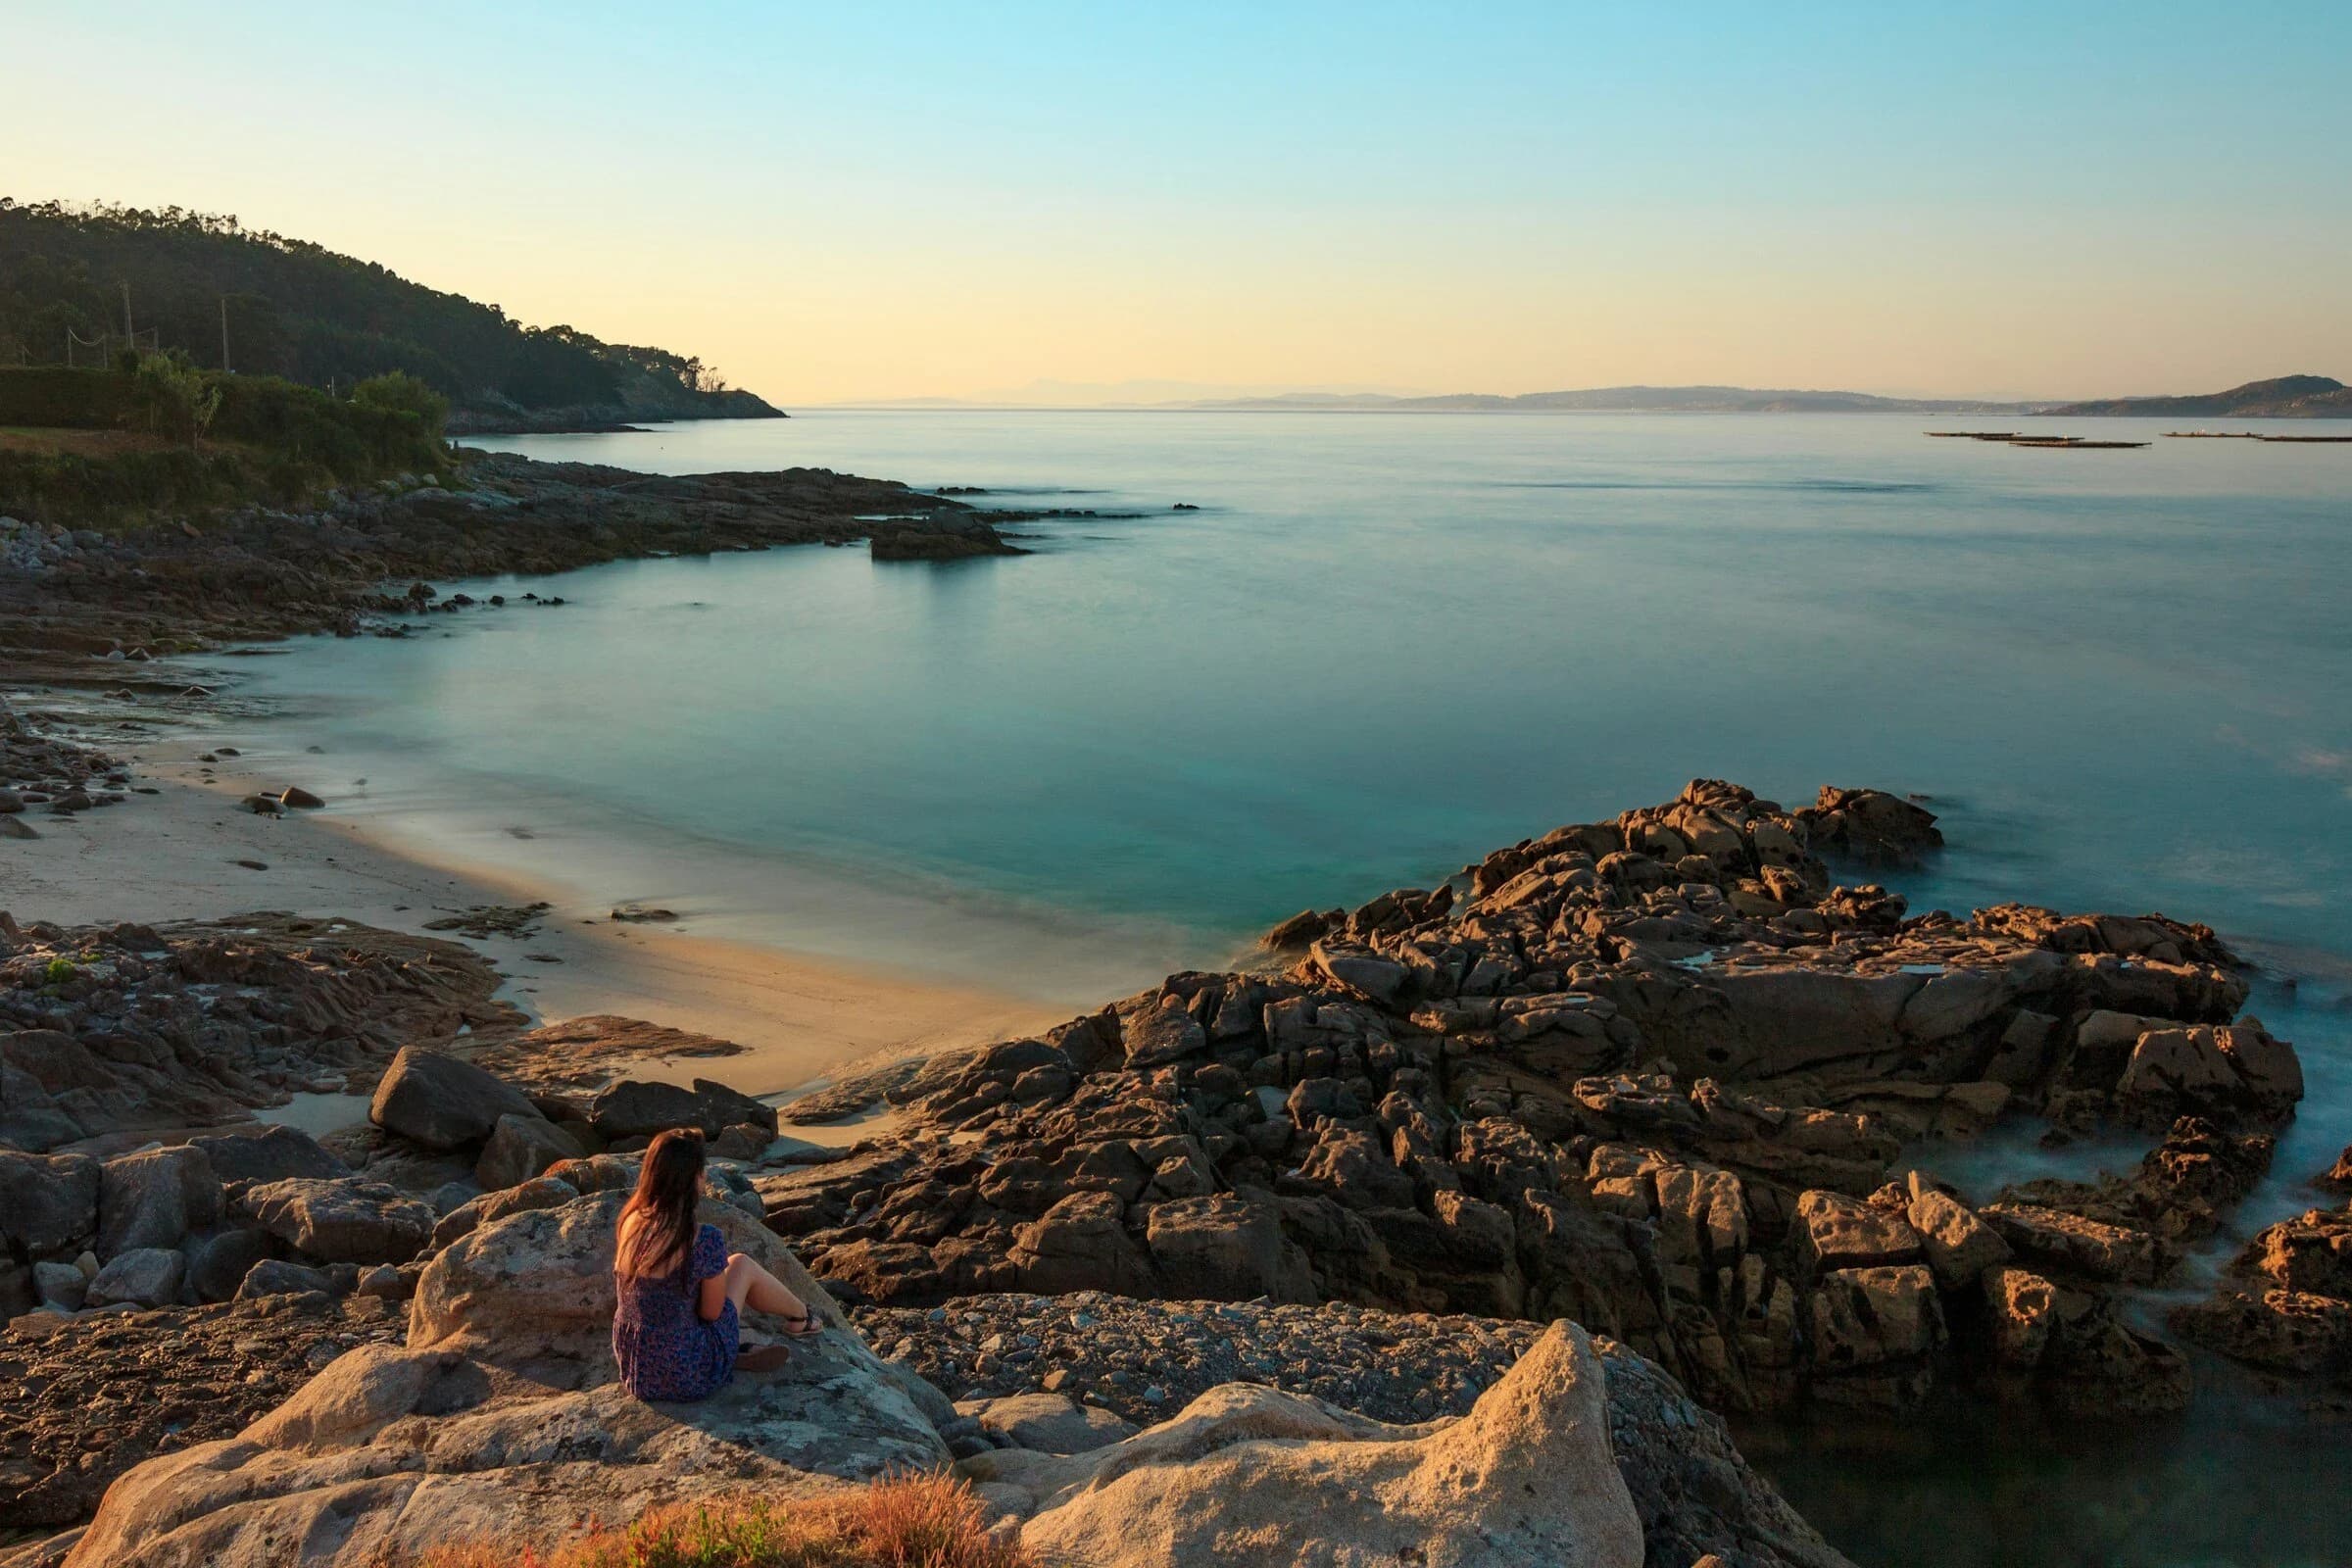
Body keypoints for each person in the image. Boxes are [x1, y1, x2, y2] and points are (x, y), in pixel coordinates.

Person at [610, 1127, 818, 1400]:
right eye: (703, 1169)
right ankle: (801, 1318)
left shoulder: (630, 1222)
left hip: (637, 1371)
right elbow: (711, 1312)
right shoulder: (701, 1238)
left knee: (688, 1297)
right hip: (686, 1374)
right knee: (741, 1265)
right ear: (694, 1177)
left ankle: (734, 1348)